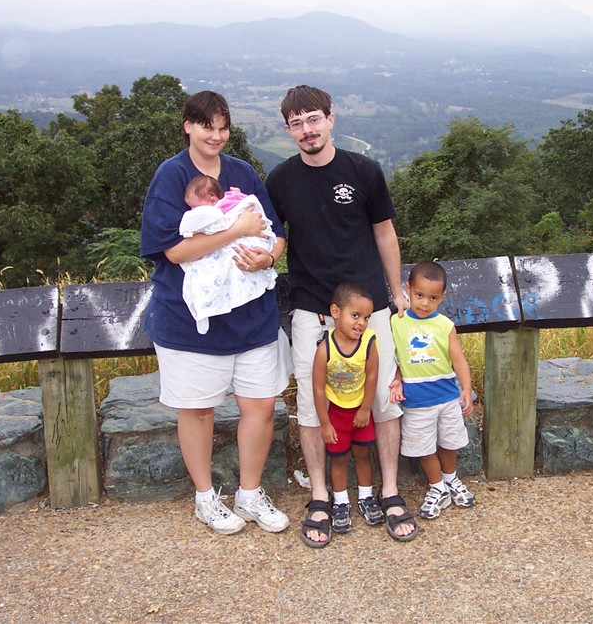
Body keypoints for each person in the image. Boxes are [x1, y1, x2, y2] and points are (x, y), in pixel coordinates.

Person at [265, 85, 418, 546]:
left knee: (383, 400)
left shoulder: (363, 171)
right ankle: (321, 495)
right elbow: (272, 238)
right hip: (311, 309)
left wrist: (397, 293)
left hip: (370, 308)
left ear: (331, 119)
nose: (307, 130)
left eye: (313, 119)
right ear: (288, 129)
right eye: (296, 123)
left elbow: (385, 233)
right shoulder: (280, 180)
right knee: (313, 406)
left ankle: (388, 490)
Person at [140, 90, 290, 536]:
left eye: (223, 128)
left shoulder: (242, 172)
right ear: (187, 126)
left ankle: (249, 493)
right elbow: (172, 250)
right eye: (207, 127)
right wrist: (235, 231)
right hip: (191, 321)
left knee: (261, 406)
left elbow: (276, 232)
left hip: (252, 316)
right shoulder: (171, 176)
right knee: (198, 410)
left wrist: (268, 257)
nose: (216, 136)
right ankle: (206, 498)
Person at [389, 261, 476, 519]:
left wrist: (466, 388)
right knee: (422, 448)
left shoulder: (445, 325)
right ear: (408, 289)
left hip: (447, 396)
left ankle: (451, 478)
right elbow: (394, 358)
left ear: (442, 297)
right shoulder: (396, 322)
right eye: (419, 295)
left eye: (433, 298)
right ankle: (437, 487)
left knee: (450, 441)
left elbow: (458, 359)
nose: (425, 303)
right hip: (416, 401)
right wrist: (397, 380)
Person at [312, 283, 379, 537]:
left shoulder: (368, 342)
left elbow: (372, 376)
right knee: (339, 458)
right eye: (356, 315)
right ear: (336, 312)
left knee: (363, 454)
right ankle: (341, 501)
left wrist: (366, 408)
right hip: (337, 414)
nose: (362, 323)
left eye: (367, 317)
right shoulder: (325, 348)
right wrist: (324, 423)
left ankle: (366, 496)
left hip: (361, 411)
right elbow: (318, 388)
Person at [180, 175, 277, 335]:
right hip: (242, 241)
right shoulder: (232, 197)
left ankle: (205, 306)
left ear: (213, 200)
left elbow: (222, 221)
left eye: (195, 207)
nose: (193, 211)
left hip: (250, 243)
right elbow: (239, 198)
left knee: (212, 268)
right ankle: (205, 310)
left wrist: (268, 260)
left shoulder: (219, 209)